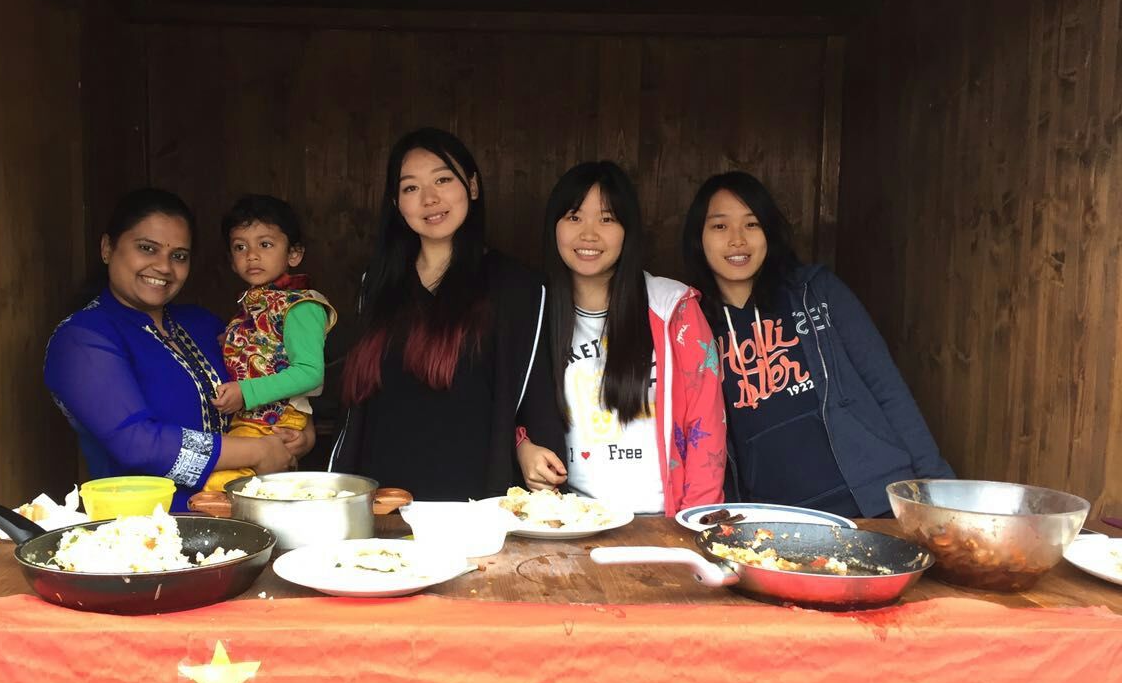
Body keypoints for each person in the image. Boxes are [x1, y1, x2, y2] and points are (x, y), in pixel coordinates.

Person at [682, 171, 953, 518]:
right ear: (699, 237)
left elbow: (888, 389)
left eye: (751, 224)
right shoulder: (693, 326)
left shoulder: (816, 292)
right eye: (720, 226)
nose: (737, 240)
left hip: (873, 505)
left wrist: (940, 492)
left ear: (769, 232)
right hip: (776, 521)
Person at [330, 127, 566, 500]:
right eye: (411, 187)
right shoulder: (376, 284)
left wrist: (533, 453)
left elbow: (533, 398)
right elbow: (358, 408)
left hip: (473, 504)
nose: (429, 198)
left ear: (472, 186)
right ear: (396, 203)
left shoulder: (516, 286)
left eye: (442, 179)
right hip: (384, 499)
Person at [44, 188, 313, 511]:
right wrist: (259, 451)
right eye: (147, 248)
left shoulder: (203, 324)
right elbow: (137, 444)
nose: (164, 267)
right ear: (107, 248)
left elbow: (269, 375)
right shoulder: (82, 339)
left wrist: (299, 432)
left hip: (246, 518)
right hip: (147, 530)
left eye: (179, 256)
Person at [515, 162, 725, 516]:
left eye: (607, 219)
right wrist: (522, 445)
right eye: (574, 217)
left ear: (628, 230)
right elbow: (505, 403)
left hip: (663, 520)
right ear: (554, 226)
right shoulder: (534, 313)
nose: (589, 234)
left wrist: (694, 523)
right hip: (572, 522)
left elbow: (706, 425)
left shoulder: (674, 309)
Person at [203, 195, 337, 492]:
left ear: (294, 254)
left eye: (265, 244)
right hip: (249, 423)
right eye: (240, 247)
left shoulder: (301, 306)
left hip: (274, 423)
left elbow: (310, 373)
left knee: (221, 487)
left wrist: (245, 392)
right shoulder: (252, 306)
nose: (252, 255)